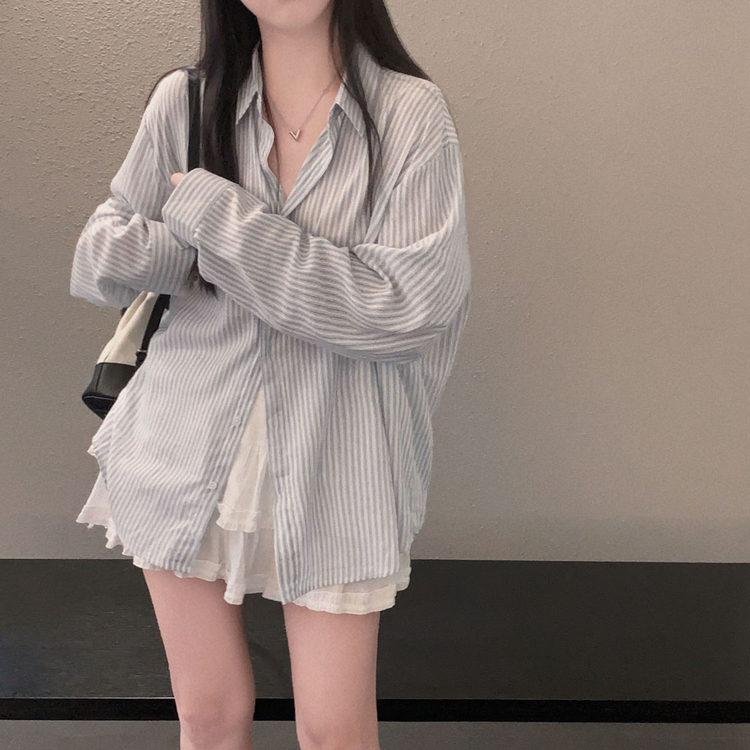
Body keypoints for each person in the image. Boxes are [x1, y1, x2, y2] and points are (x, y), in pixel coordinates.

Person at [70, 0, 471, 748]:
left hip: (339, 468)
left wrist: (219, 219)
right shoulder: (186, 101)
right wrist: (193, 251)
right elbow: (98, 259)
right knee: (208, 719)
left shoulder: (409, 115)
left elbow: (404, 312)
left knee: (334, 733)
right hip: (178, 450)